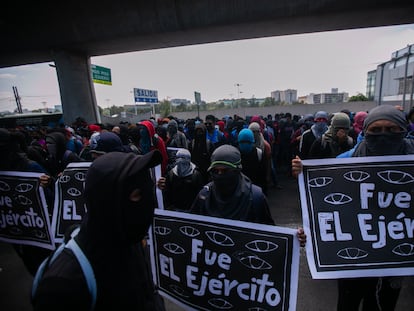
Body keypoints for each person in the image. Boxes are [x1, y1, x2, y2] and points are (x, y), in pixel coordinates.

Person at [292, 105, 414, 311]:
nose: (383, 135)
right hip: (354, 257)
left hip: (394, 257)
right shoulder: (345, 161)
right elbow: (326, 205)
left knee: (384, 304)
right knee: (348, 302)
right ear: (365, 131)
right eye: (375, 130)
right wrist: (306, 176)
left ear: (404, 129)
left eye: (392, 130)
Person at [31, 150, 166, 311]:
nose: (147, 202)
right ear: (107, 203)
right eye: (136, 195)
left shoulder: (131, 239)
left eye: (148, 189)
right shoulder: (63, 285)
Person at [190, 144, 306, 246]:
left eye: (225, 171)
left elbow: (271, 236)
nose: (220, 175)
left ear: (237, 170)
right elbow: (189, 229)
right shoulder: (204, 196)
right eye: (215, 171)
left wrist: (295, 238)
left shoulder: (255, 197)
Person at [237, 128, 268, 195]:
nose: (245, 144)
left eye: (247, 142)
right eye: (243, 142)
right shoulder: (258, 153)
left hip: (241, 190)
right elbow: (263, 173)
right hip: (255, 188)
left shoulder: (236, 153)